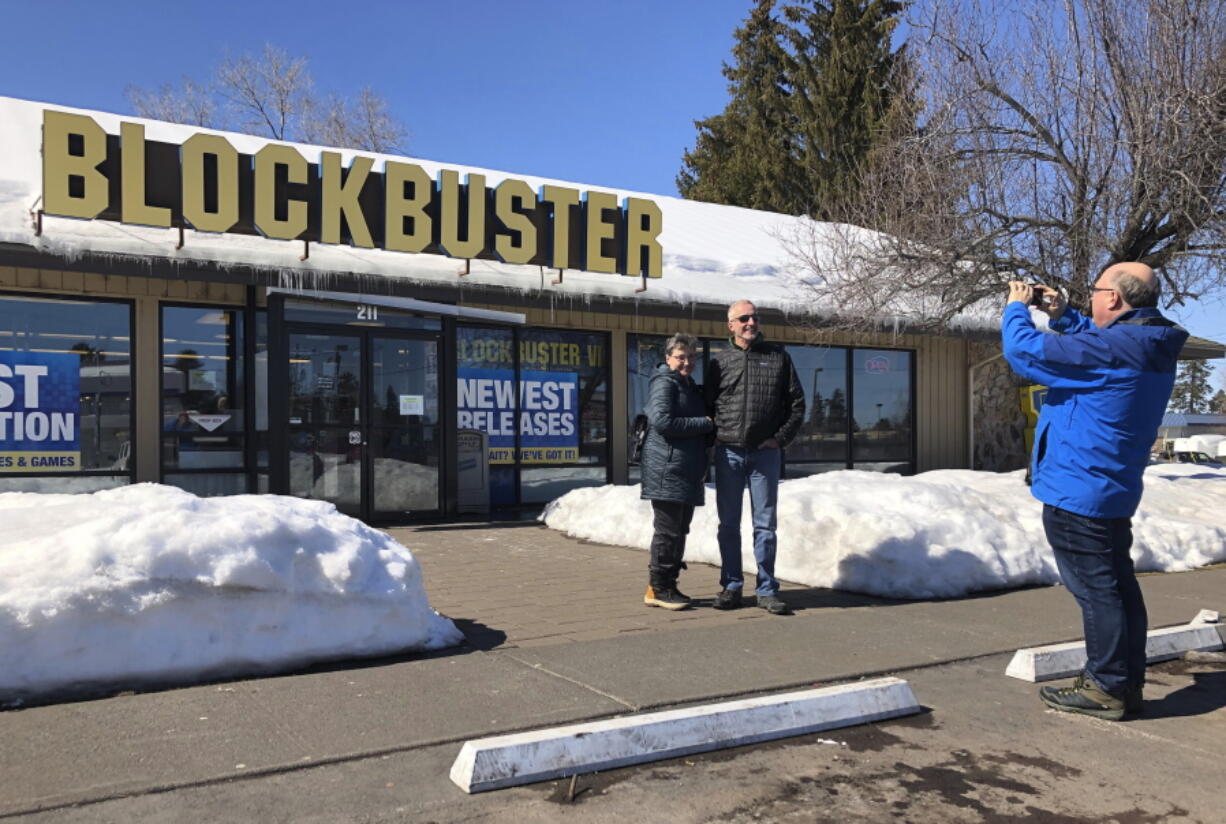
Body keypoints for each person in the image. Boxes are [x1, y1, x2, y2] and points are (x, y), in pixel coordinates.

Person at [1001, 263, 1188, 721]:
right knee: (1118, 588)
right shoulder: (1144, 343)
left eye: (1096, 290)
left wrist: (1015, 308)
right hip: (1108, 487)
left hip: (1079, 490)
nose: (1091, 296)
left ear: (1115, 299)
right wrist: (1064, 314)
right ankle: (1125, 681)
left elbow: (1025, 353)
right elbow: (1093, 345)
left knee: (1098, 592)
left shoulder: (1114, 348)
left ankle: (1106, 686)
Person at [704, 300, 805, 615]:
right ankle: (731, 586)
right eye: (743, 318)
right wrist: (714, 435)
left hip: (764, 454)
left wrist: (780, 438)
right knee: (728, 525)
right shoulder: (719, 363)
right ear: (730, 325)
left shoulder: (778, 357)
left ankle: (766, 589)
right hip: (729, 452)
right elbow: (707, 405)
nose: (751, 322)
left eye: (755, 317)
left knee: (765, 526)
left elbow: (797, 404)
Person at [639, 333, 714, 610]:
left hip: (684, 470)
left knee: (679, 530)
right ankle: (659, 588)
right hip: (667, 469)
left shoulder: (687, 385)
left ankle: (664, 585)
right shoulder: (665, 382)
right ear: (668, 358)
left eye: (692, 357)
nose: (687, 362)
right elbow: (662, 421)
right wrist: (705, 424)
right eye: (681, 357)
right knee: (668, 531)